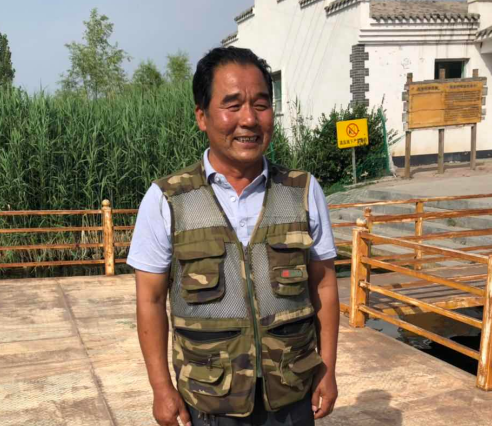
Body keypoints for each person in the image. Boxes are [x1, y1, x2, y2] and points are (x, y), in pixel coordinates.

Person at [128, 46, 339, 426]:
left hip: (292, 393)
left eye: (261, 105)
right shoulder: (168, 199)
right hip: (209, 400)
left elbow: (323, 284)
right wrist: (161, 387)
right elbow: (151, 298)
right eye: (233, 105)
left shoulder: (302, 191)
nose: (249, 119)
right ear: (202, 116)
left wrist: (329, 367)